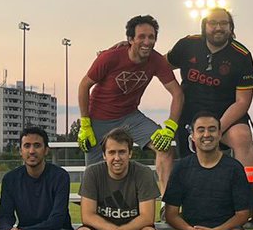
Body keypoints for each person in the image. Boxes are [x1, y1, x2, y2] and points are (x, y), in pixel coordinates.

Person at [77, 14, 183, 191]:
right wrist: (85, 124)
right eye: (141, 36)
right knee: (94, 176)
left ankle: (167, 205)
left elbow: (177, 94)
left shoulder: (156, 60)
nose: (147, 42)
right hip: (99, 119)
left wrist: (170, 127)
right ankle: (94, 214)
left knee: (165, 149)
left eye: (151, 37)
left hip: (130, 117)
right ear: (130, 39)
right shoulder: (110, 57)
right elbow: (83, 86)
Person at [167, 8, 253, 168]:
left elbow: (242, 102)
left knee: (242, 137)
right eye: (213, 23)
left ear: (231, 27)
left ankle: (248, 188)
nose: (218, 27)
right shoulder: (188, 44)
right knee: (190, 164)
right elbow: (158, 65)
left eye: (224, 23)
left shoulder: (241, 55)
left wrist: (217, 128)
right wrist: (129, 48)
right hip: (191, 115)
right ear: (204, 26)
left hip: (226, 115)